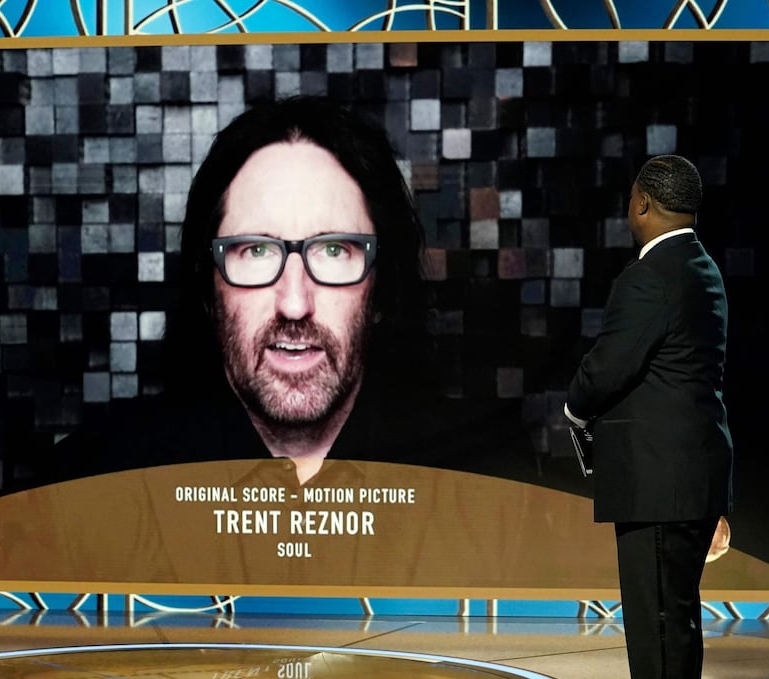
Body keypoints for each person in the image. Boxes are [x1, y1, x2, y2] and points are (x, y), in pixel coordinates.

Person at [51, 96, 507, 484]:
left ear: (381, 290)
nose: (294, 303)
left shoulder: (489, 488)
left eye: (334, 251)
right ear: (208, 287)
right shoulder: (89, 486)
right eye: (254, 251)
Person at [565, 155, 733, 679]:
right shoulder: (700, 268)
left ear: (641, 204)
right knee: (668, 621)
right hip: (685, 472)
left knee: (660, 622)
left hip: (661, 480)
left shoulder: (653, 275)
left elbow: (608, 368)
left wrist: (575, 403)